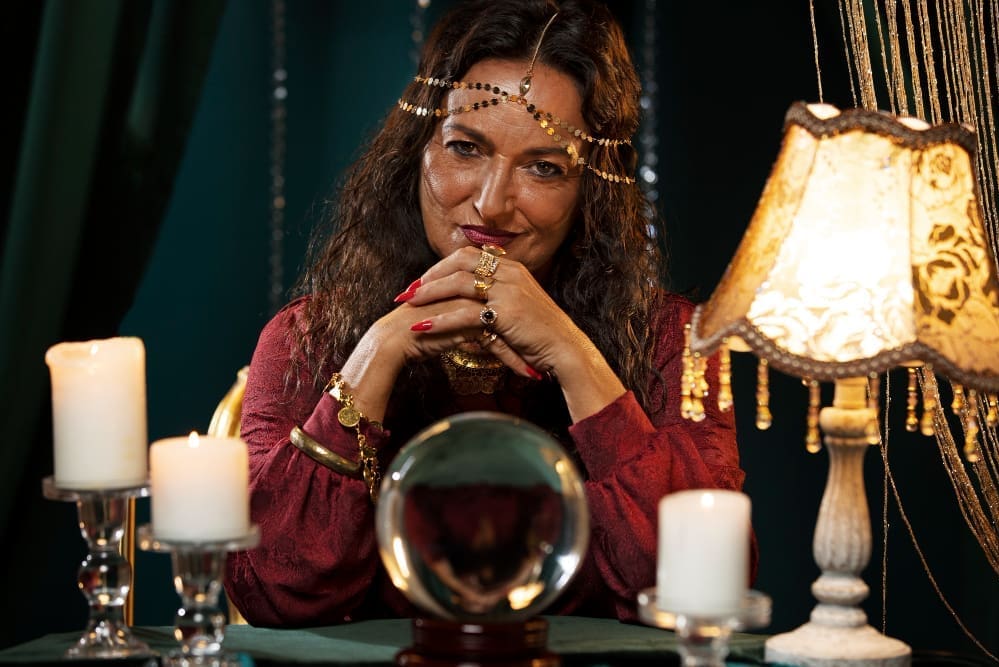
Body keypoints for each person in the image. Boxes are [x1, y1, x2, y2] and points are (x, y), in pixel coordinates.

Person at [224, 0, 754, 627]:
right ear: (416, 152)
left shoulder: (674, 343)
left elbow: (702, 590)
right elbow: (275, 591)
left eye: (543, 168)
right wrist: (380, 351)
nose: (491, 204)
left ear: (592, 191)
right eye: (465, 149)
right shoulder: (308, 337)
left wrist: (572, 354)